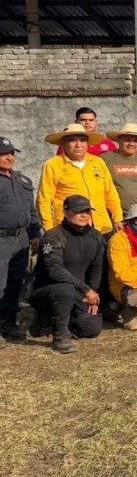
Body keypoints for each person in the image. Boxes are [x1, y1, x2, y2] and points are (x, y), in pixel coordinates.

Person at [29, 195, 105, 352]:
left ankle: (62, 321)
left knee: (91, 328)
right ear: (65, 212)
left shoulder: (96, 236)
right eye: (78, 211)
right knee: (65, 289)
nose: (84, 215)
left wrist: (93, 292)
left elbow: (96, 268)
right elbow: (55, 271)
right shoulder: (53, 236)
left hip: (78, 289)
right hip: (47, 290)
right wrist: (86, 290)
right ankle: (60, 335)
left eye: (87, 211)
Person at [38, 123, 123, 236]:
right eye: (72, 140)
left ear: (87, 144)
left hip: (101, 226)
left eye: (83, 140)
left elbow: (110, 193)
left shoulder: (98, 162)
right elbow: (44, 200)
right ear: (64, 143)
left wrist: (118, 218)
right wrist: (49, 229)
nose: (78, 145)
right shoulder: (52, 165)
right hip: (68, 228)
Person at [0, 136, 42, 345]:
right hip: (1, 240)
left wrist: (35, 234)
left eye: (11, 153)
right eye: (3, 154)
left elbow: (31, 211)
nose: (9, 157)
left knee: (14, 284)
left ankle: (9, 324)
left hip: (21, 239)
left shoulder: (23, 180)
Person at [101, 123, 137, 214]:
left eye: (135, 141)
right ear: (119, 140)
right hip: (111, 214)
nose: (131, 144)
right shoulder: (105, 159)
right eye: (127, 140)